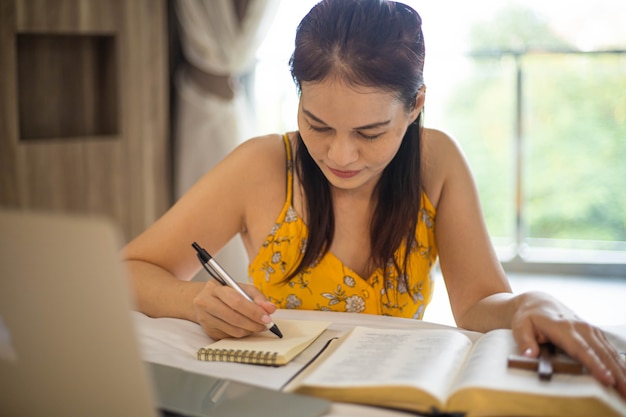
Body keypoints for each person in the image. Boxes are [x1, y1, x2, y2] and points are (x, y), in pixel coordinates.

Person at [123, 0, 626, 398]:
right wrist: (193, 301)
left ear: (415, 106)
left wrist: (531, 304)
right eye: (317, 124)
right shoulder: (262, 165)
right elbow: (131, 268)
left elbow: (476, 303)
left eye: (370, 131)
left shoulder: (437, 161)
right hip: (279, 398)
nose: (340, 154)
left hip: (393, 398)